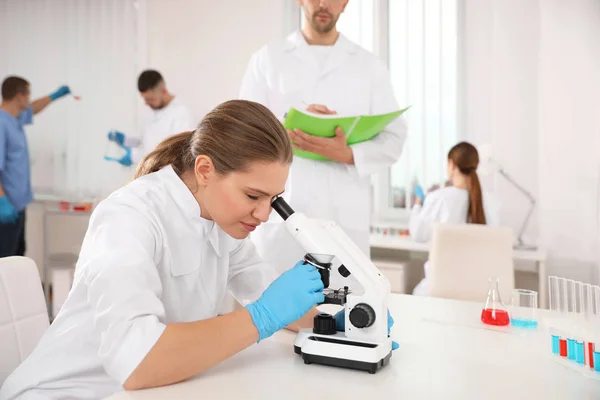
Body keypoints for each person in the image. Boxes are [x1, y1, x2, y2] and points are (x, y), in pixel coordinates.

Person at [0, 100, 323, 399]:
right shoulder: (129, 216)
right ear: (205, 170)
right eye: (253, 196)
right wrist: (262, 317)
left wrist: (338, 326)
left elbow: (273, 297)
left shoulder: (223, 223)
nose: (265, 215)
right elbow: (136, 359)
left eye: (274, 199)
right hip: (66, 394)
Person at [239, 0, 407, 282]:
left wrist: (349, 153)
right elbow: (242, 128)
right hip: (283, 214)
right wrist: (286, 129)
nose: (323, 4)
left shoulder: (369, 66)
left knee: (346, 314)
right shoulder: (268, 59)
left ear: (345, 3)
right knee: (277, 314)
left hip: (344, 222)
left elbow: (394, 137)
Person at [409, 142, 501, 295]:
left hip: (440, 290)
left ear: (451, 164)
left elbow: (418, 235)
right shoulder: (491, 203)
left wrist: (418, 205)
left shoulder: (438, 198)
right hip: (479, 291)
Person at [0, 76, 71, 258]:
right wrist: (3, 201)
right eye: (28, 94)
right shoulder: (1, 124)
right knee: (5, 260)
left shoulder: (14, 118)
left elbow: (34, 109)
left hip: (18, 204)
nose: (29, 99)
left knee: (17, 255)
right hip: (5, 207)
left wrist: (55, 96)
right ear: (18, 96)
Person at [106, 69, 194, 166]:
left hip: (166, 175)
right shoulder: (151, 111)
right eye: (144, 99)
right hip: (149, 172)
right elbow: (144, 140)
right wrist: (125, 140)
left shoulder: (182, 113)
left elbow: (178, 152)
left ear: (163, 91)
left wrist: (134, 156)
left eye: (150, 99)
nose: (146, 103)